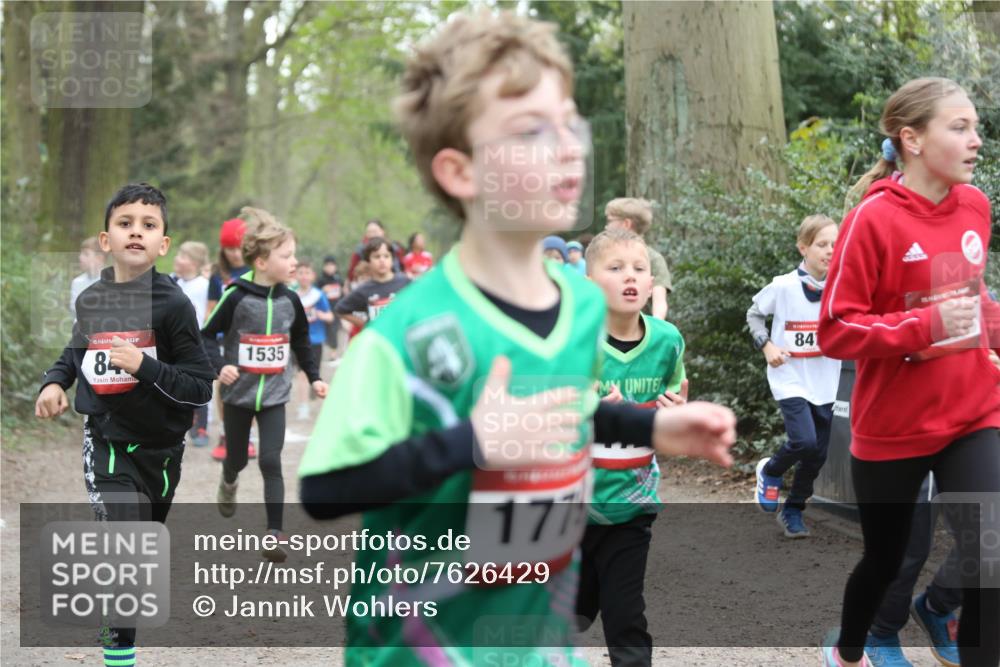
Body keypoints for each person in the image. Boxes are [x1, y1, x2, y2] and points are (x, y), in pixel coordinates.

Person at [298, 11, 736, 666]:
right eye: (531, 131)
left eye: (569, 123)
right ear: (461, 172)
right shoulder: (402, 335)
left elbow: (560, 411)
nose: (567, 148)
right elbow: (326, 491)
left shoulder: (583, 306)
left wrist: (649, 429)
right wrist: (471, 442)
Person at [817, 77, 1000, 667]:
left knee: (991, 555)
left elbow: (971, 301)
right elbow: (837, 330)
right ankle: (851, 648)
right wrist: (923, 328)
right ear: (912, 139)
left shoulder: (974, 206)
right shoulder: (872, 221)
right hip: (893, 426)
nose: (977, 140)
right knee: (887, 559)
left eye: (976, 127)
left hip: (973, 409)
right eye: (960, 127)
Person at [35, 182, 215, 667]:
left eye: (149, 225)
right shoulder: (92, 300)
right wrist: (55, 383)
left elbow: (200, 387)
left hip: (163, 450)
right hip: (108, 441)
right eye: (126, 223)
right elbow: (76, 350)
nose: (136, 231)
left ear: (164, 244)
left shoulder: (174, 307)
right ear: (106, 239)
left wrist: (144, 365)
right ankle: (120, 659)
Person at [579, 228, 689, 667]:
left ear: (651, 283)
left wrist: (673, 411)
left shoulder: (667, 340)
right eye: (616, 267)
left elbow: (676, 399)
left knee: (626, 621)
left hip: (632, 504)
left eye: (639, 269)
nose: (631, 276)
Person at [201, 207, 328, 563]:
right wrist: (220, 366)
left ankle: (275, 534)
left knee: (271, 460)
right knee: (238, 459)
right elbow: (207, 336)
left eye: (294, 254)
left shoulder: (291, 301)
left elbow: (302, 341)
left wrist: (315, 377)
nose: (294, 262)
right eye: (286, 256)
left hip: (274, 395)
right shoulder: (236, 296)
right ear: (260, 261)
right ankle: (228, 480)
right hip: (238, 395)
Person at [748, 214, 841, 537]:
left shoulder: (842, 288)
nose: (830, 250)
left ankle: (793, 511)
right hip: (789, 377)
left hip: (826, 381)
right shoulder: (783, 286)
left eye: (835, 243)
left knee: (817, 455)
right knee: (804, 440)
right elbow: (755, 315)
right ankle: (770, 470)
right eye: (822, 244)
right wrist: (767, 345)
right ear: (803, 247)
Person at [208, 217, 253, 461]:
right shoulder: (218, 274)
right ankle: (226, 433)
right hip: (225, 338)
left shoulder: (256, 268)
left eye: (238, 247)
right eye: (229, 248)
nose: (235, 254)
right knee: (224, 386)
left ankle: (248, 436)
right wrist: (208, 336)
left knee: (250, 386)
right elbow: (211, 309)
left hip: (252, 339)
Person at [171, 240, 212, 447]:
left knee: (199, 382)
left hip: (198, 341)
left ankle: (201, 426)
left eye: (183, 256)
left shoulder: (204, 286)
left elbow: (210, 313)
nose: (177, 259)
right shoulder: (173, 283)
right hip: (174, 341)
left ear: (195, 263)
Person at [605, 198, 673, 319]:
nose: (606, 227)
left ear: (626, 224)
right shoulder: (604, 255)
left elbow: (659, 301)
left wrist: (655, 330)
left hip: (640, 331)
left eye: (610, 221)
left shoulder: (652, 258)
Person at [334, 236, 411, 334]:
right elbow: (340, 310)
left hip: (401, 337)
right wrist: (367, 325)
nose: (382, 260)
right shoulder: (364, 290)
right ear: (368, 261)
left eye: (386, 256)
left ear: (392, 259)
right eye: (376, 256)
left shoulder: (405, 282)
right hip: (379, 340)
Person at [292, 261, 332, 420]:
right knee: (301, 374)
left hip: (316, 340)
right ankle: (303, 406)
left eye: (307, 272)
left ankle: (310, 396)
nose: (304, 276)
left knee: (314, 374)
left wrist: (321, 315)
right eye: (300, 272)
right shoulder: (291, 294)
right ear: (295, 275)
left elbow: (330, 316)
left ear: (313, 276)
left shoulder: (318, 295)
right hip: (298, 341)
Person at [70, 237, 107, 319]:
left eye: (86, 254)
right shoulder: (77, 282)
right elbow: (75, 311)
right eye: (81, 254)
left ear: (99, 258)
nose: (80, 258)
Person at [315, 255, 345, 355]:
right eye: (327, 265)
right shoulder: (320, 281)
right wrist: (323, 290)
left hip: (337, 309)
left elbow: (343, 294)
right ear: (324, 267)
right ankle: (328, 349)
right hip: (325, 310)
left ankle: (334, 352)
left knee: (334, 330)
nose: (330, 267)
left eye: (332, 265)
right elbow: (314, 294)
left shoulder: (338, 279)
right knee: (327, 331)